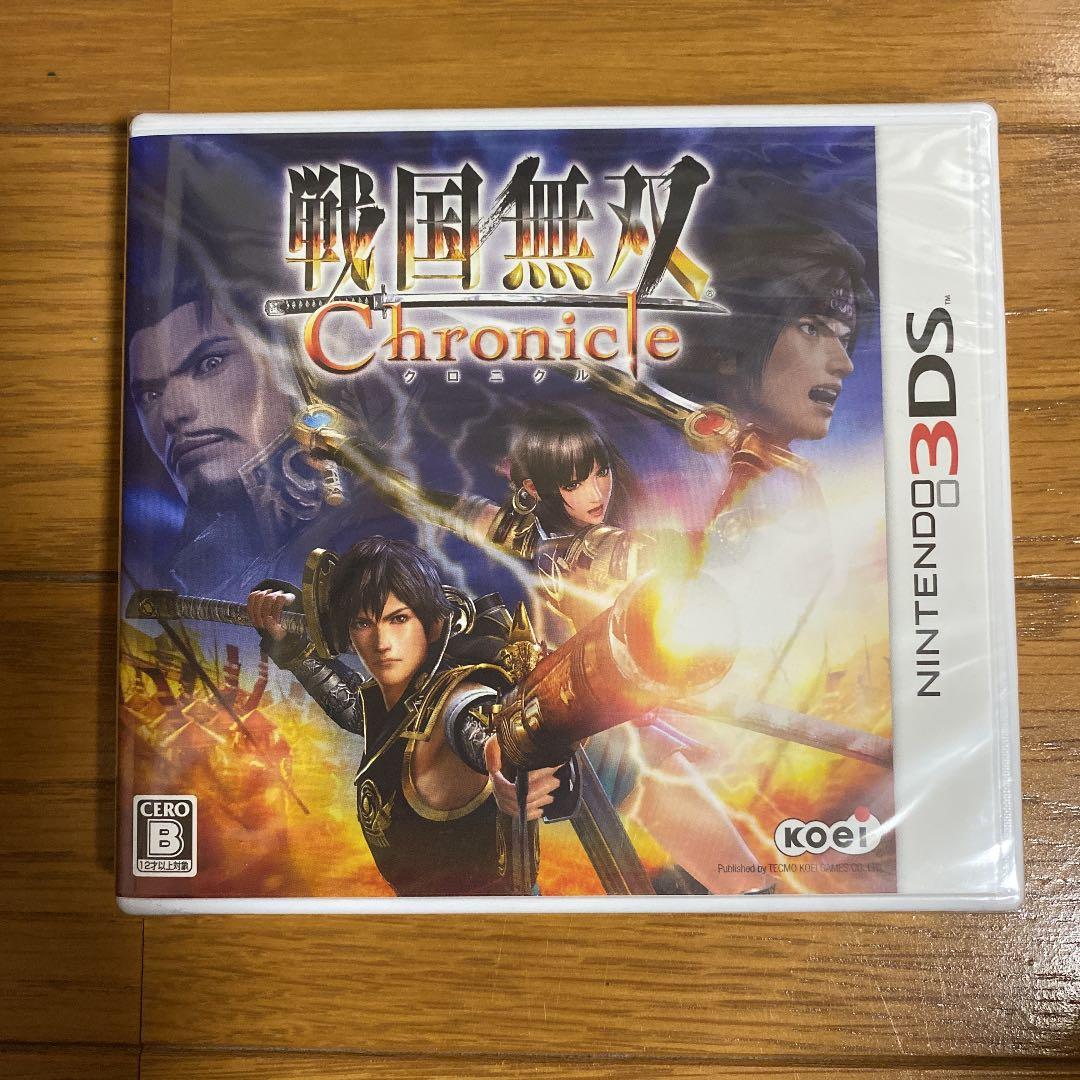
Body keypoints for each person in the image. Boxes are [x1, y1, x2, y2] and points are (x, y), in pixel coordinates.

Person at [248, 536, 564, 897]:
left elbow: (476, 731)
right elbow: (358, 712)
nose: (381, 642)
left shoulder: (457, 698)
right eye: (363, 624)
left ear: (431, 625)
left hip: (491, 922)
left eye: (398, 619)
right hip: (418, 918)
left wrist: (511, 771)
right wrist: (287, 642)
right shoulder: (397, 702)